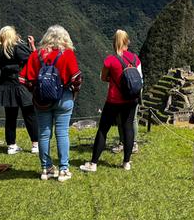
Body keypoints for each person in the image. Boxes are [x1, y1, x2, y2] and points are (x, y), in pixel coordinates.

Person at [20, 25, 81, 182]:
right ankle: (63, 170)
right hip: (64, 98)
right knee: (62, 132)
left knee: (44, 133)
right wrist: (74, 91)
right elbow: (76, 78)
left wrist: (35, 92)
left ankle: (46, 169)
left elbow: (23, 79)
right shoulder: (67, 54)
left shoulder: (36, 55)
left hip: (41, 101)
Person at [80, 29, 141, 173]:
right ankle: (126, 163)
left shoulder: (110, 60)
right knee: (128, 128)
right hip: (131, 99)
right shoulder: (135, 58)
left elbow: (103, 77)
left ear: (114, 42)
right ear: (127, 42)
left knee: (103, 129)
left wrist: (113, 79)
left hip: (114, 100)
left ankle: (93, 163)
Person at [0, 26, 38, 154]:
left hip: (5, 85)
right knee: (29, 114)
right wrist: (31, 45)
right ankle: (35, 144)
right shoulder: (17, 47)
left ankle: (11, 145)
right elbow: (33, 59)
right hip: (20, 84)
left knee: (10, 117)